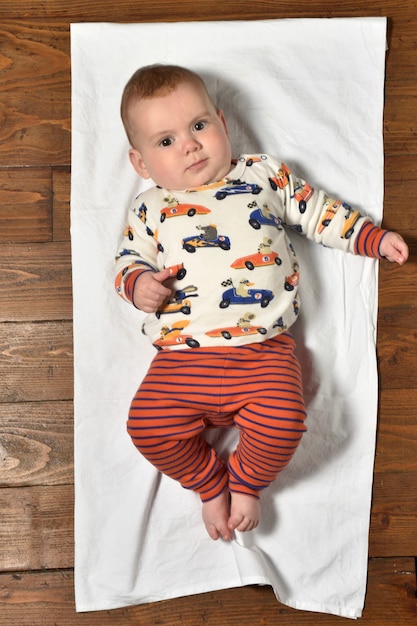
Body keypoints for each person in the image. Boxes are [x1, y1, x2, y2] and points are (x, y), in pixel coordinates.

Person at [115, 64, 408, 542]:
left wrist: (370, 237)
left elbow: (318, 212)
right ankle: (209, 483)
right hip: (181, 361)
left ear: (223, 124)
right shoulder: (150, 208)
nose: (188, 144)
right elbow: (127, 261)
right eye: (165, 141)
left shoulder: (262, 176)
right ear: (142, 164)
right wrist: (139, 284)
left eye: (198, 126)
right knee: (147, 426)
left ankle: (248, 482)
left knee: (284, 422)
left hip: (263, 353)